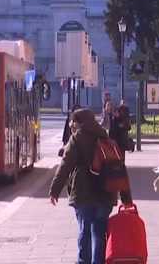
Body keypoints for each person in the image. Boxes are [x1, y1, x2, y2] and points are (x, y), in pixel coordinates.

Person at [49, 108, 132, 264]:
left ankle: (83, 262)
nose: (71, 124)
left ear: (78, 122)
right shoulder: (106, 137)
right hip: (106, 193)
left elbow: (65, 166)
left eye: (73, 121)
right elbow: (119, 168)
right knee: (99, 232)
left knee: (84, 231)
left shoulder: (77, 139)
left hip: (83, 193)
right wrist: (126, 198)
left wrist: (54, 190)